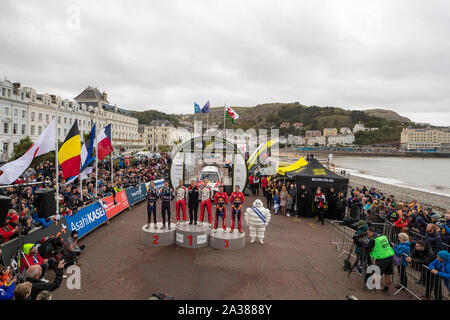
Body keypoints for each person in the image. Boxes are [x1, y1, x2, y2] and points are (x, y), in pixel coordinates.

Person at [365, 226, 395, 295]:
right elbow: (390, 244)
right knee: (388, 273)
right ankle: (386, 289)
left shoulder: (373, 239)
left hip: (382, 258)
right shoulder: (383, 236)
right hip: (390, 256)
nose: (367, 234)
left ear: (370, 232)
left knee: (377, 273)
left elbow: (367, 248)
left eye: (368, 233)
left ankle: (372, 286)